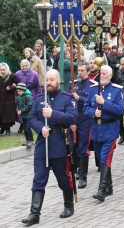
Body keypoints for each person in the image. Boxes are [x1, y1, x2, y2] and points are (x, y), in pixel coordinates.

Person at [22, 69, 78, 226]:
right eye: (46, 80)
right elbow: (32, 118)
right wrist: (41, 128)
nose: (49, 83)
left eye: (52, 80)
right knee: (39, 179)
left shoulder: (67, 98)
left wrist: (52, 114)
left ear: (59, 81)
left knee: (63, 178)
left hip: (59, 144)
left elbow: (72, 118)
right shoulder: (40, 98)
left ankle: (68, 205)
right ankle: (34, 213)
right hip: (42, 145)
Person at [83, 65, 124, 202]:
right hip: (96, 129)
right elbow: (86, 107)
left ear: (111, 75)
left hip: (110, 129)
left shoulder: (117, 90)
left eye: (105, 74)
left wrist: (104, 103)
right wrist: (93, 113)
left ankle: (101, 191)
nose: (102, 76)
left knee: (105, 157)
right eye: (101, 73)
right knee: (102, 158)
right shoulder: (92, 89)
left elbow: (120, 110)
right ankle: (109, 186)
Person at [68, 62, 95, 189]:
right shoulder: (72, 85)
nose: (79, 73)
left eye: (82, 70)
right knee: (73, 145)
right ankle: (77, 168)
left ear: (88, 72)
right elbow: (67, 100)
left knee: (83, 146)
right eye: (78, 70)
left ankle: (83, 177)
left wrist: (80, 98)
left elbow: (93, 102)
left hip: (85, 118)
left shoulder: (92, 86)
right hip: (74, 117)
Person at [0, 63, 19, 135]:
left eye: (3, 70)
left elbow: (18, 84)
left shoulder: (12, 76)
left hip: (9, 99)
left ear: (7, 69)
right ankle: (2, 129)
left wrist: (11, 87)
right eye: (1, 70)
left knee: (8, 116)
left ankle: (8, 130)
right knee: (1, 115)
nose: (2, 71)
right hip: (1, 99)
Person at [16, 82, 34, 147]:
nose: (18, 92)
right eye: (17, 91)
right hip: (24, 115)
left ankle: (31, 140)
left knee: (27, 128)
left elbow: (30, 105)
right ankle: (27, 140)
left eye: (20, 91)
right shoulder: (19, 97)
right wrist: (18, 110)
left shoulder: (28, 96)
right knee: (25, 128)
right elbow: (18, 105)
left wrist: (22, 110)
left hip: (29, 115)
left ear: (23, 90)